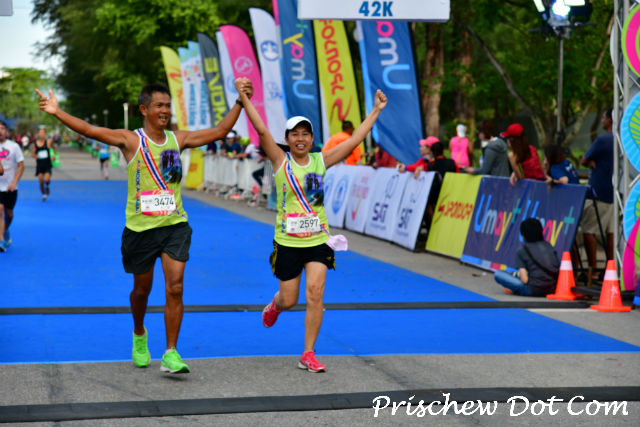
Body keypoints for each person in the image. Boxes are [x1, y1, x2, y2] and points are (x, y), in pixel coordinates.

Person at [36, 80, 253, 373]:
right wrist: (57, 112)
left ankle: (171, 352)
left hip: (175, 225)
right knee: (141, 291)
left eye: (167, 106)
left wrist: (239, 101)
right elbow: (89, 130)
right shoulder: (131, 140)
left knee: (175, 287)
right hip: (140, 229)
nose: (165, 111)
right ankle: (139, 332)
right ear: (144, 109)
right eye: (159, 106)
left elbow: (219, 132)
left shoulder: (178, 139)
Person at [235, 77, 387, 372]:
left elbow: (354, 141)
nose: (301, 138)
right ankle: (275, 305)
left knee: (315, 294)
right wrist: (244, 98)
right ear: (288, 139)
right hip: (288, 242)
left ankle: (308, 353)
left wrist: (376, 110)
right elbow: (262, 130)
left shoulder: (321, 160)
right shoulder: (280, 161)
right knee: (290, 299)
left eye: (306, 133)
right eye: (295, 134)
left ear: (312, 137)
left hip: (317, 240)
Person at [580, 108, 614, 280]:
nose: (601, 120)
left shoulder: (603, 140)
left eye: (603, 117)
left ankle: (591, 271)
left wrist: (591, 161)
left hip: (598, 193)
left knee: (588, 230)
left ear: (610, 119)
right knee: (611, 233)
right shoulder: (623, 140)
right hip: (616, 195)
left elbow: (584, 159)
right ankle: (611, 268)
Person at [494, 218, 560, 296]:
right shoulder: (548, 246)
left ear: (523, 235)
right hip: (553, 288)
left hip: (532, 290)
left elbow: (525, 280)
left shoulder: (522, 250)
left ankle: (513, 288)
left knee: (498, 274)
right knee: (515, 274)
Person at [0, 120, 25, 252]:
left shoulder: (14, 147)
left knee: (9, 214)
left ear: (7, 131)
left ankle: (5, 229)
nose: (0, 131)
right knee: (0, 209)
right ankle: (1, 240)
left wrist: (14, 182)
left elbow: (21, 166)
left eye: (2, 128)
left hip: (10, 186)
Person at [32, 127, 56, 201]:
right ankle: (44, 195)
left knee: (47, 179)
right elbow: (32, 154)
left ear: (45, 134)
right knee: (41, 181)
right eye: (40, 132)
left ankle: (47, 186)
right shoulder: (36, 143)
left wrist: (54, 155)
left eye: (43, 132)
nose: (41, 134)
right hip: (39, 165)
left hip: (47, 164)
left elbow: (54, 148)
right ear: (38, 134)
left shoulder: (48, 142)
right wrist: (35, 156)